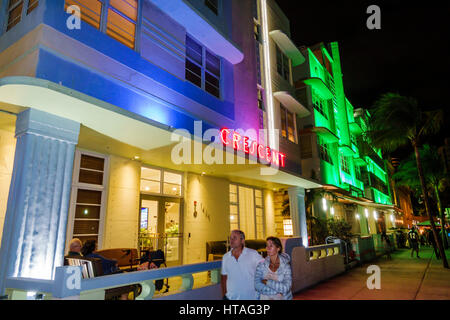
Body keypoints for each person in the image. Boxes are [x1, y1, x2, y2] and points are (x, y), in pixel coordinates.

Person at [221, 230, 264, 300]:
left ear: (242, 240)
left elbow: (265, 268)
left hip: (251, 298)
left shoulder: (252, 254)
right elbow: (223, 278)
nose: (231, 240)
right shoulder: (225, 257)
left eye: (235, 238)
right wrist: (224, 295)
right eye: (230, 238)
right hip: (231, 298)